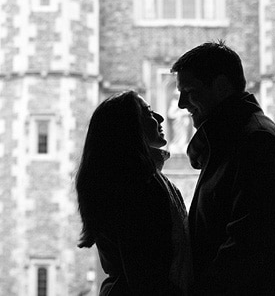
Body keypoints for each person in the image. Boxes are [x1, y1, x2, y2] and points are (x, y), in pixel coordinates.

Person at [172, 42, 275, 295]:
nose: (180, 104)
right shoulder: (229, 141)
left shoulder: (257, 142)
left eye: (189, 91)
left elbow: (246, 249)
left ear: (221, 86)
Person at [76, 91, 191, 295]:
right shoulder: (136, 187)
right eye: (148, 113)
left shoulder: (146, 179)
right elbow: (145, 275)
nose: (161, 117)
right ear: (130, 127)